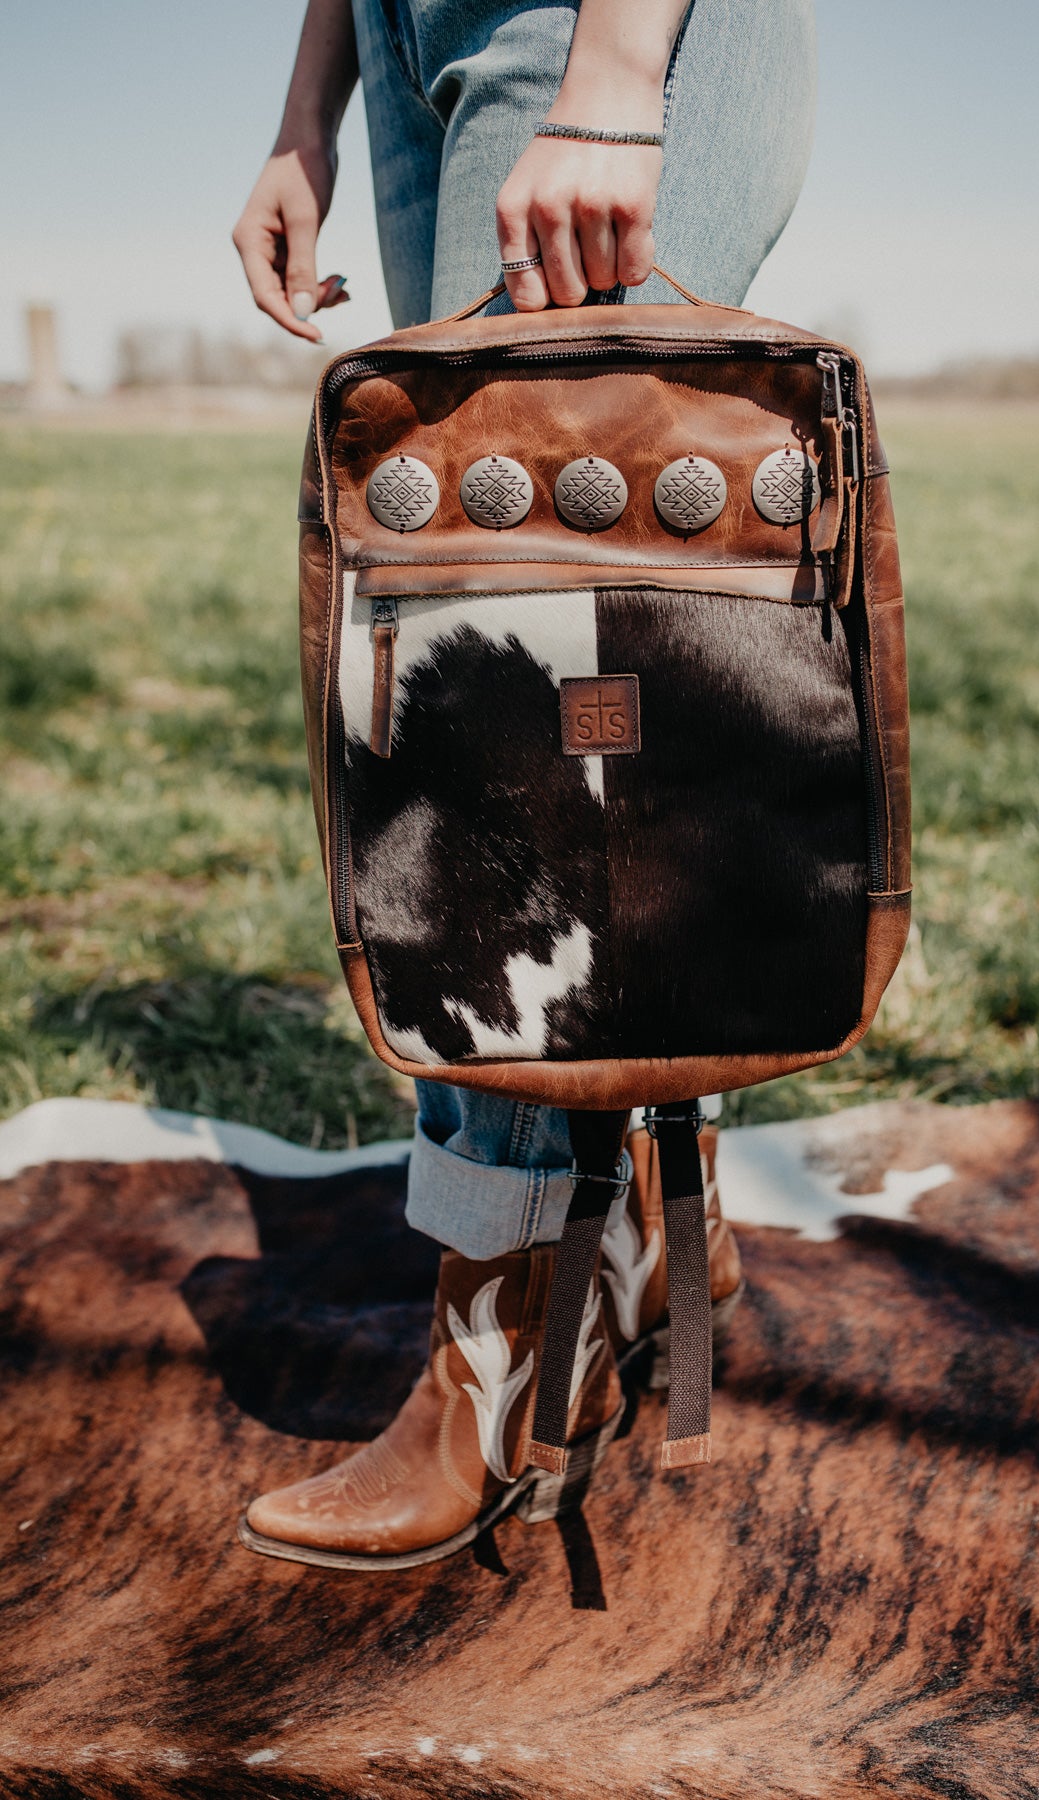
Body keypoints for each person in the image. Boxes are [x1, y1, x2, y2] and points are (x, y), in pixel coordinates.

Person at [231, 0, 817, 1570]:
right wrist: (312, 112)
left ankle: (487, 1369)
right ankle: (639, 1227)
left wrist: (617, 71)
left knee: (510, 694)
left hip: (594, 19)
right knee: (531, 653)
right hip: (408, 36)